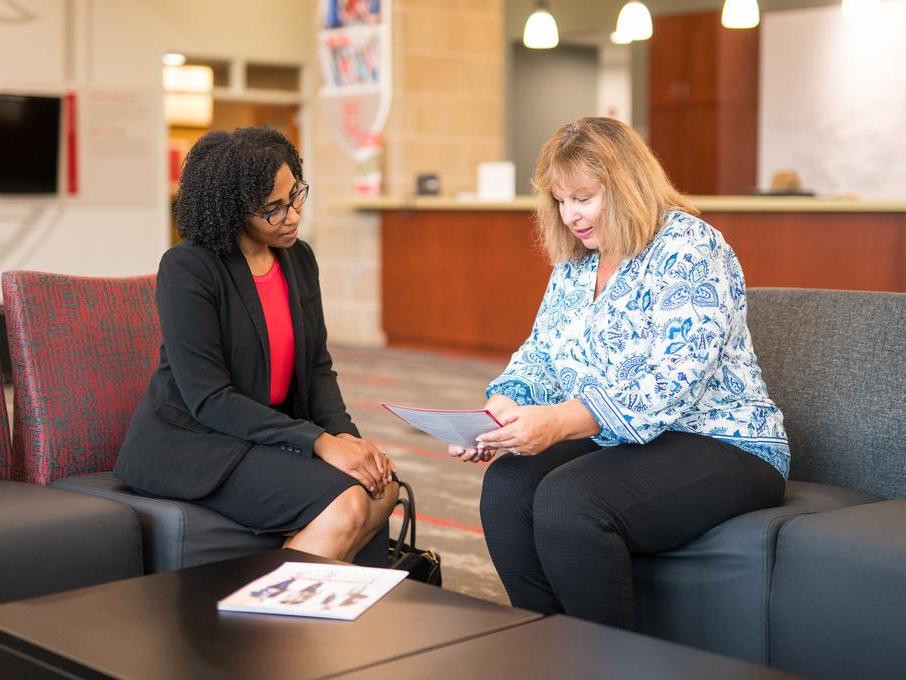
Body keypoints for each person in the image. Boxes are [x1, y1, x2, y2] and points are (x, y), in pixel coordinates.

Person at [449, 117, 789, 629]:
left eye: (583, 198)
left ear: (626, 185)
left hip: (724, 441)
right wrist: (503, 409)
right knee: (507, 487)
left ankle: (605, 661)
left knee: (570, 501)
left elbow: (672, 381)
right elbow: (542, 352)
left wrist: (560, 421)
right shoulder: (577, 262)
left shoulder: (690, 247)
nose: (570, 217)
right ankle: (546, 648)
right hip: (625, 438)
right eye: (560, 201)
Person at [115, 126, 398, 564]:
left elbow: (317, 366)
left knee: (383, 487)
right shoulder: (188, 267)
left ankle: (308, 610)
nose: (292, 216)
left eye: (295, 196)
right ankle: (264, 622)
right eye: (272, 208)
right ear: (231, 211)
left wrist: (345, 437)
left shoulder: (298, 258)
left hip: (263, 435)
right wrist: (319, 442)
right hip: (194, 444)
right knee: (346, 504)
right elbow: (210, 399)